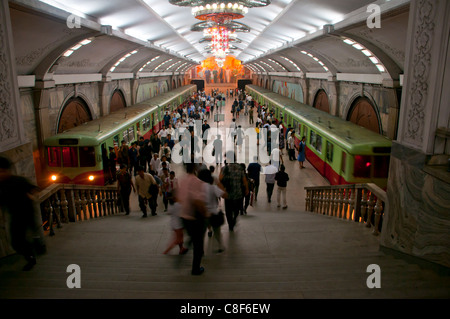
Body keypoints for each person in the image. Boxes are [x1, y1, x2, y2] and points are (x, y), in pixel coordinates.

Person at [0, 156, 40, 271]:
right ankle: (31, 254)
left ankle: (33, 252)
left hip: (26, 213)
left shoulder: (19, 181)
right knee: (16, 241)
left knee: (25, 236)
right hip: (14, 215)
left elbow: (33, 189)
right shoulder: (2, 185)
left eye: (2, 171)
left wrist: (32, 195)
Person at [178, 163, 208, 275]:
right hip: (194, 218)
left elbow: (180, 198)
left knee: (194, 238)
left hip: (183, 216)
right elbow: (197, 201)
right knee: (199, 245)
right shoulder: (196, 181)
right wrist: (205, 213)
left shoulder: (182, 180)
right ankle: (196, 269)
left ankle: (187, 245)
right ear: (195, 169)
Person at [198, 169, 227, 253]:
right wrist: (219, 184)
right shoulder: (212, 187)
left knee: (201, 234)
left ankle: (201, 250)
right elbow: (225, 195)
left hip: (202, 214)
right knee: (217, 232)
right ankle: (220, 246)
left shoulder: (198, 188)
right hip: (214, 214)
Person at [219, 151, 248, 232]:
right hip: (238, 193)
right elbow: (244, 180)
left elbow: (220, 179)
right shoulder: (240, 167)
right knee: (236, 209)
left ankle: (230, 224)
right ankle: (234, 218)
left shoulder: (224, 169)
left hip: (228, 193)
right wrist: (246, 189)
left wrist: (222, 190)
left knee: (228, 211)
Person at [163, 190, 188, 255]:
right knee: (178, 239)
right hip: (178, 224)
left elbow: (169, 212)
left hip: (174, 223)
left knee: (180, 236)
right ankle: (166, 251)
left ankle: (181, 249)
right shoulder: (178, 205)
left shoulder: (171, 205)